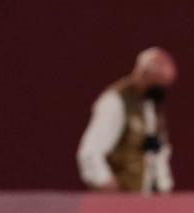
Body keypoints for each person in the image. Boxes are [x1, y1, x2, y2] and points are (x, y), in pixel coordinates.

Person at [76, 47, 177, 195]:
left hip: (146, 200)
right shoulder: (115, 102)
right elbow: (90, 153)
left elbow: (157, 152)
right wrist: (107, 184)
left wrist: (164, 187)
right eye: (158, 85)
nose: (162, 92)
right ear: (144, 75)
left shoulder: (151, 107)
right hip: (120, 202)